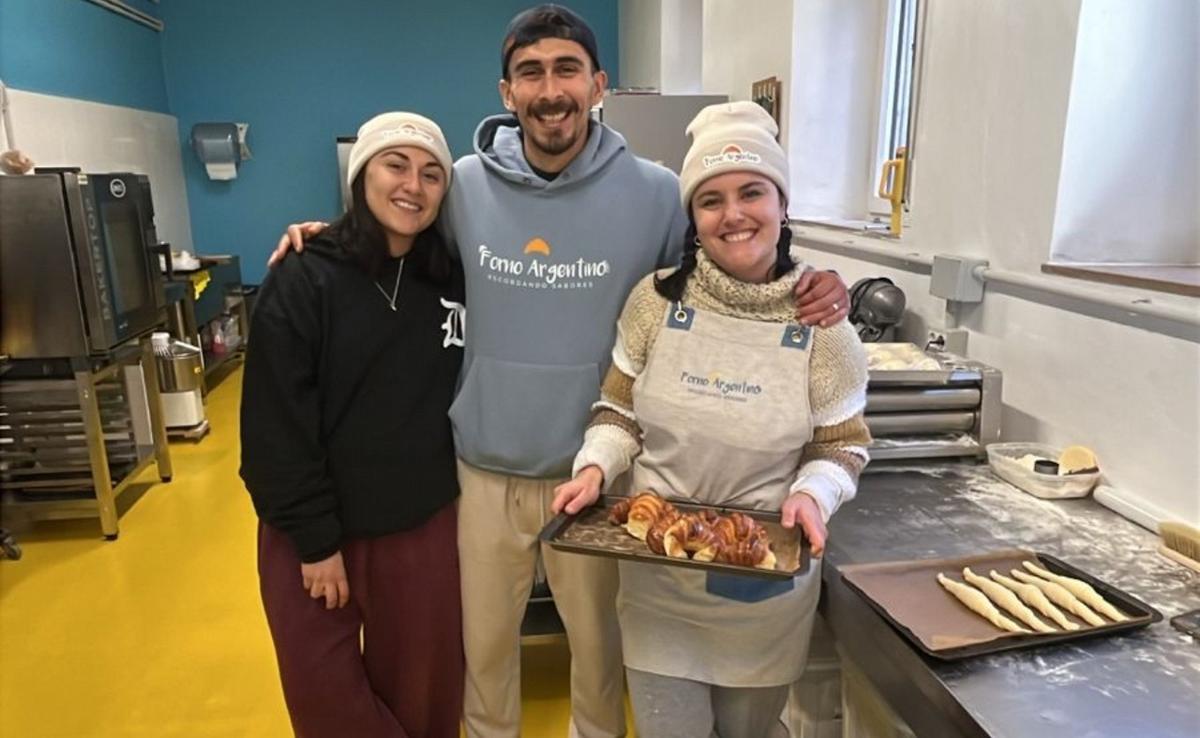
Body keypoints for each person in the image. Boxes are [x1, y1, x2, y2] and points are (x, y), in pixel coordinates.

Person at [268, 7, 850, 736]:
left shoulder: (656, 193)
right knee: (483, 663)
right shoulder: (465, 189)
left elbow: (729, 260)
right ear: (507, 92)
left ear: (598, 83)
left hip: (596, 478)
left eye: (567, 69)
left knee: (601, 666)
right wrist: (326, 235)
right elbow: (395, 227)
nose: (550, 89)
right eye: (531, 72)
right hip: (479, 472)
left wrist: (813, 277)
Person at [551, 101, 871, 738]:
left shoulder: (824, 330)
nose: (733, 215)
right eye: (711, 200)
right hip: (657, 583)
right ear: (693, 219)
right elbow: (619, 411)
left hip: (762, 586)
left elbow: (841, 447)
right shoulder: (653, 302)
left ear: (782, 206)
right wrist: (595, 465)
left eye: (752, 192)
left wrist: (813, 496)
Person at [241, 112, 465, 738]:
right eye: (395, 166)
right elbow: (274, 425)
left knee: (425, 694)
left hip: (418, 524)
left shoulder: (453, 277)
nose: (412, 186)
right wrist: (315, 542)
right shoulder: (304, 275)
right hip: (309, 534)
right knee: (328, 701)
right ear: (361, 174)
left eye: (430, 175)